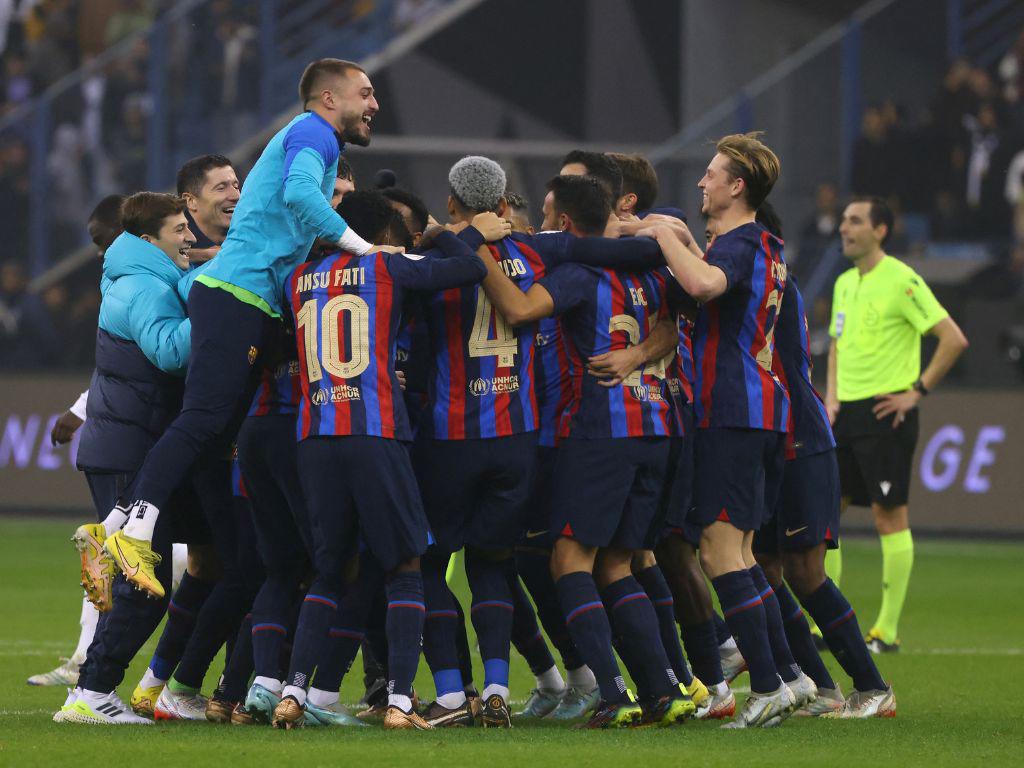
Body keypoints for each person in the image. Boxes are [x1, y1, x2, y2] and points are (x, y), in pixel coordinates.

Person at [102, 58, 388, 595]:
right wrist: (364, 249)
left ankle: (114, 525)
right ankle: (137, 529)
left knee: (213, 425)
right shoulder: (314, 132)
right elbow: (302, 197)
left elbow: (290, 213)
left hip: (246, 297)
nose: (375, 103)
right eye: (366, 93)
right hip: (237, 295)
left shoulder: (315, 138)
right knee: (204, 419)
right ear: (330, 99)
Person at [271, 193, 503, 731]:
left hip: (315, 436)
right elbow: (467, 269)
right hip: (375, 433)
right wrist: (465, 233)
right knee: (404, 567)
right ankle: (400, 702)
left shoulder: (296, 278)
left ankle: (293, 692)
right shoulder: (386, 264)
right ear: (382, 235)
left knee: (331, 571)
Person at [474, 174, 694, 729]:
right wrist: (640, 354)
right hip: (654, 427)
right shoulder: (648, 269)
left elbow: (522, 311)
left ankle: (614, 695)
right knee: (618, 564)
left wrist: (477, 254)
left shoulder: (576, 274)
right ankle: (663, 691)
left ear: (567, 224)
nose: (545, 226)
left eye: (549, 217)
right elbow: (671, 326)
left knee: (569, 561)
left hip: (600, 432)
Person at [643, 132, 797, 728]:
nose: (702, 182)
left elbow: (705, 284)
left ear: (738, 187)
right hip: (756, 412)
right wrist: (655, 228)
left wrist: (659, 236)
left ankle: (766, 684)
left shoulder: (737, 243)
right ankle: (786, 678)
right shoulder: (766, 244)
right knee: (741, 552)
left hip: (731, 410)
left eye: (711, 175)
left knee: (716, 550)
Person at [57, 193, 201, 725]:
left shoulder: (138, 279)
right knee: (146, 583)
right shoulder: (144, 286)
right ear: (148, 240)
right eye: (179, 228)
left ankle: (92, 690)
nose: (189, 236)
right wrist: (214, 303)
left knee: (155, 573)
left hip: (127, 443)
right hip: (130, 447)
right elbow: (170, 350)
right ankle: (92, 694)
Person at [826, 197, 968, 653]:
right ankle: (825, 622)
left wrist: (917, 391)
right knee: (827, 516)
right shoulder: (846, 282)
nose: (844, 228)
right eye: (844, 221)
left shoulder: (903, 279)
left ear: (880, 230)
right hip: (846, 413)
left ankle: (886, 631)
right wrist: (830, 397)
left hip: (887, 413)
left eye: (855, 221)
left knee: (890, 517)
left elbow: (952, 338)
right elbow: (836, 346)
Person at [28, 193, 126, 689]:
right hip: (128, 431)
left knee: (142, 549)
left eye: (101, 240)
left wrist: (80, 408)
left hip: (144, 434)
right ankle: (90, 660)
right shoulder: (126, 282)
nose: (100, 252)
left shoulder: (141, 282)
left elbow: (136, 366)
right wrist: (80, 407)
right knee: (126, 548)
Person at [175, 154, 241, 264]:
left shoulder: (253, 233)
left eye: (236, 186)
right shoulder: (165, 240)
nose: (236, 196)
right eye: (221, 188)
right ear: (190, 201)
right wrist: (204, 255)